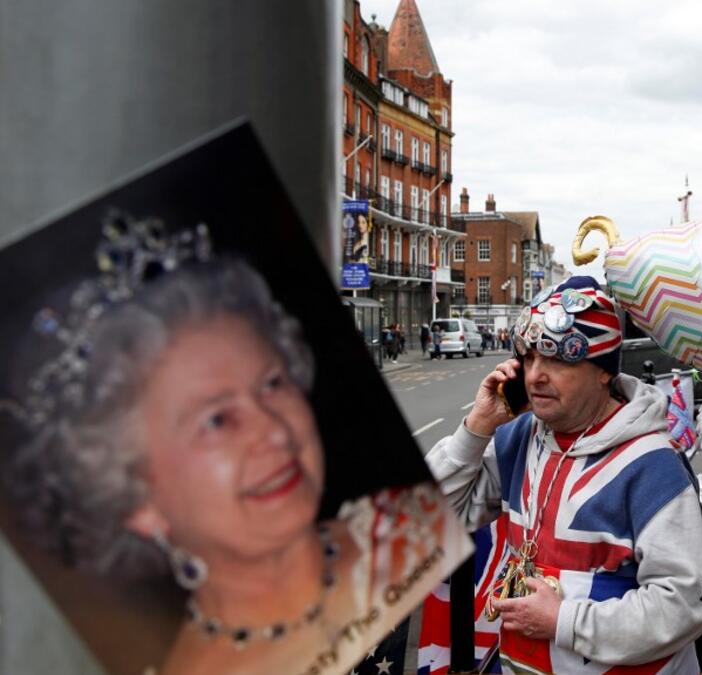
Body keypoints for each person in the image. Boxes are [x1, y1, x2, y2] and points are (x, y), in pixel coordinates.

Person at [0, 217, 464, 675]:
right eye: (217, 419)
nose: (276, 431)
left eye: (272, 383)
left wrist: (477, 428)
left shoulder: (401, 532)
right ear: (132, 494)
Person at [426, 276, 702, 674]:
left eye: (558, 359)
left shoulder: (653, 464)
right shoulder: (517, 439)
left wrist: (563, 621)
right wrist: (476, 428)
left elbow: (684, 605)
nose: (534, 376)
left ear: (603, 373)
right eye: (529, 357)